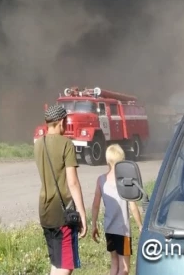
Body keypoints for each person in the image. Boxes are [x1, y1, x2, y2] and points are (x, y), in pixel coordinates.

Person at [34, 104, 87, 274]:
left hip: (45, 211)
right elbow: (73, 183)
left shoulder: (38, 144)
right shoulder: (66, 144)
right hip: (62, 214)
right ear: (61, 122)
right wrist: (82, 215)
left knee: (57, 262)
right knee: (66, 265)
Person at [91, 144, 142, 275]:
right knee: (124, 268)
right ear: (122, 160)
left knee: (114, 264)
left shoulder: (101, 180)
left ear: (107, 160)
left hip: (109, 230)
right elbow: (132, 206)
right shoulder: (125, 181)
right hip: (123, 231)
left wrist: (94, 224)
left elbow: (95, 205)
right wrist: (140, 225)